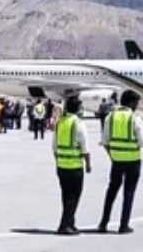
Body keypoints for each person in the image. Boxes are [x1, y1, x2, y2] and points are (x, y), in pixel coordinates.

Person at [98, 90, 143, 234]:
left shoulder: (111, 117)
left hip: (116, 160)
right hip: (133, 160)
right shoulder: (134, 118)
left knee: (111, 191)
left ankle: (103, 223)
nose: (137, 105)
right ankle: (123, 225)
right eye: (136, 103)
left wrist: (113, 155)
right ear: (131, 103)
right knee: (129, 192)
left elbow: (105, 141)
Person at [53, 96, 91, 235]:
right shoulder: (78, 123)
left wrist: (58, 161)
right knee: (74, 197)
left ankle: (70, 223)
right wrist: (88, 164)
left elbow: (54, 146)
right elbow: (85, 147)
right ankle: (64, 225)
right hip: (74, 166)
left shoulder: (60, 123)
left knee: (66, 196)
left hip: (61, 165)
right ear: (78, 108)